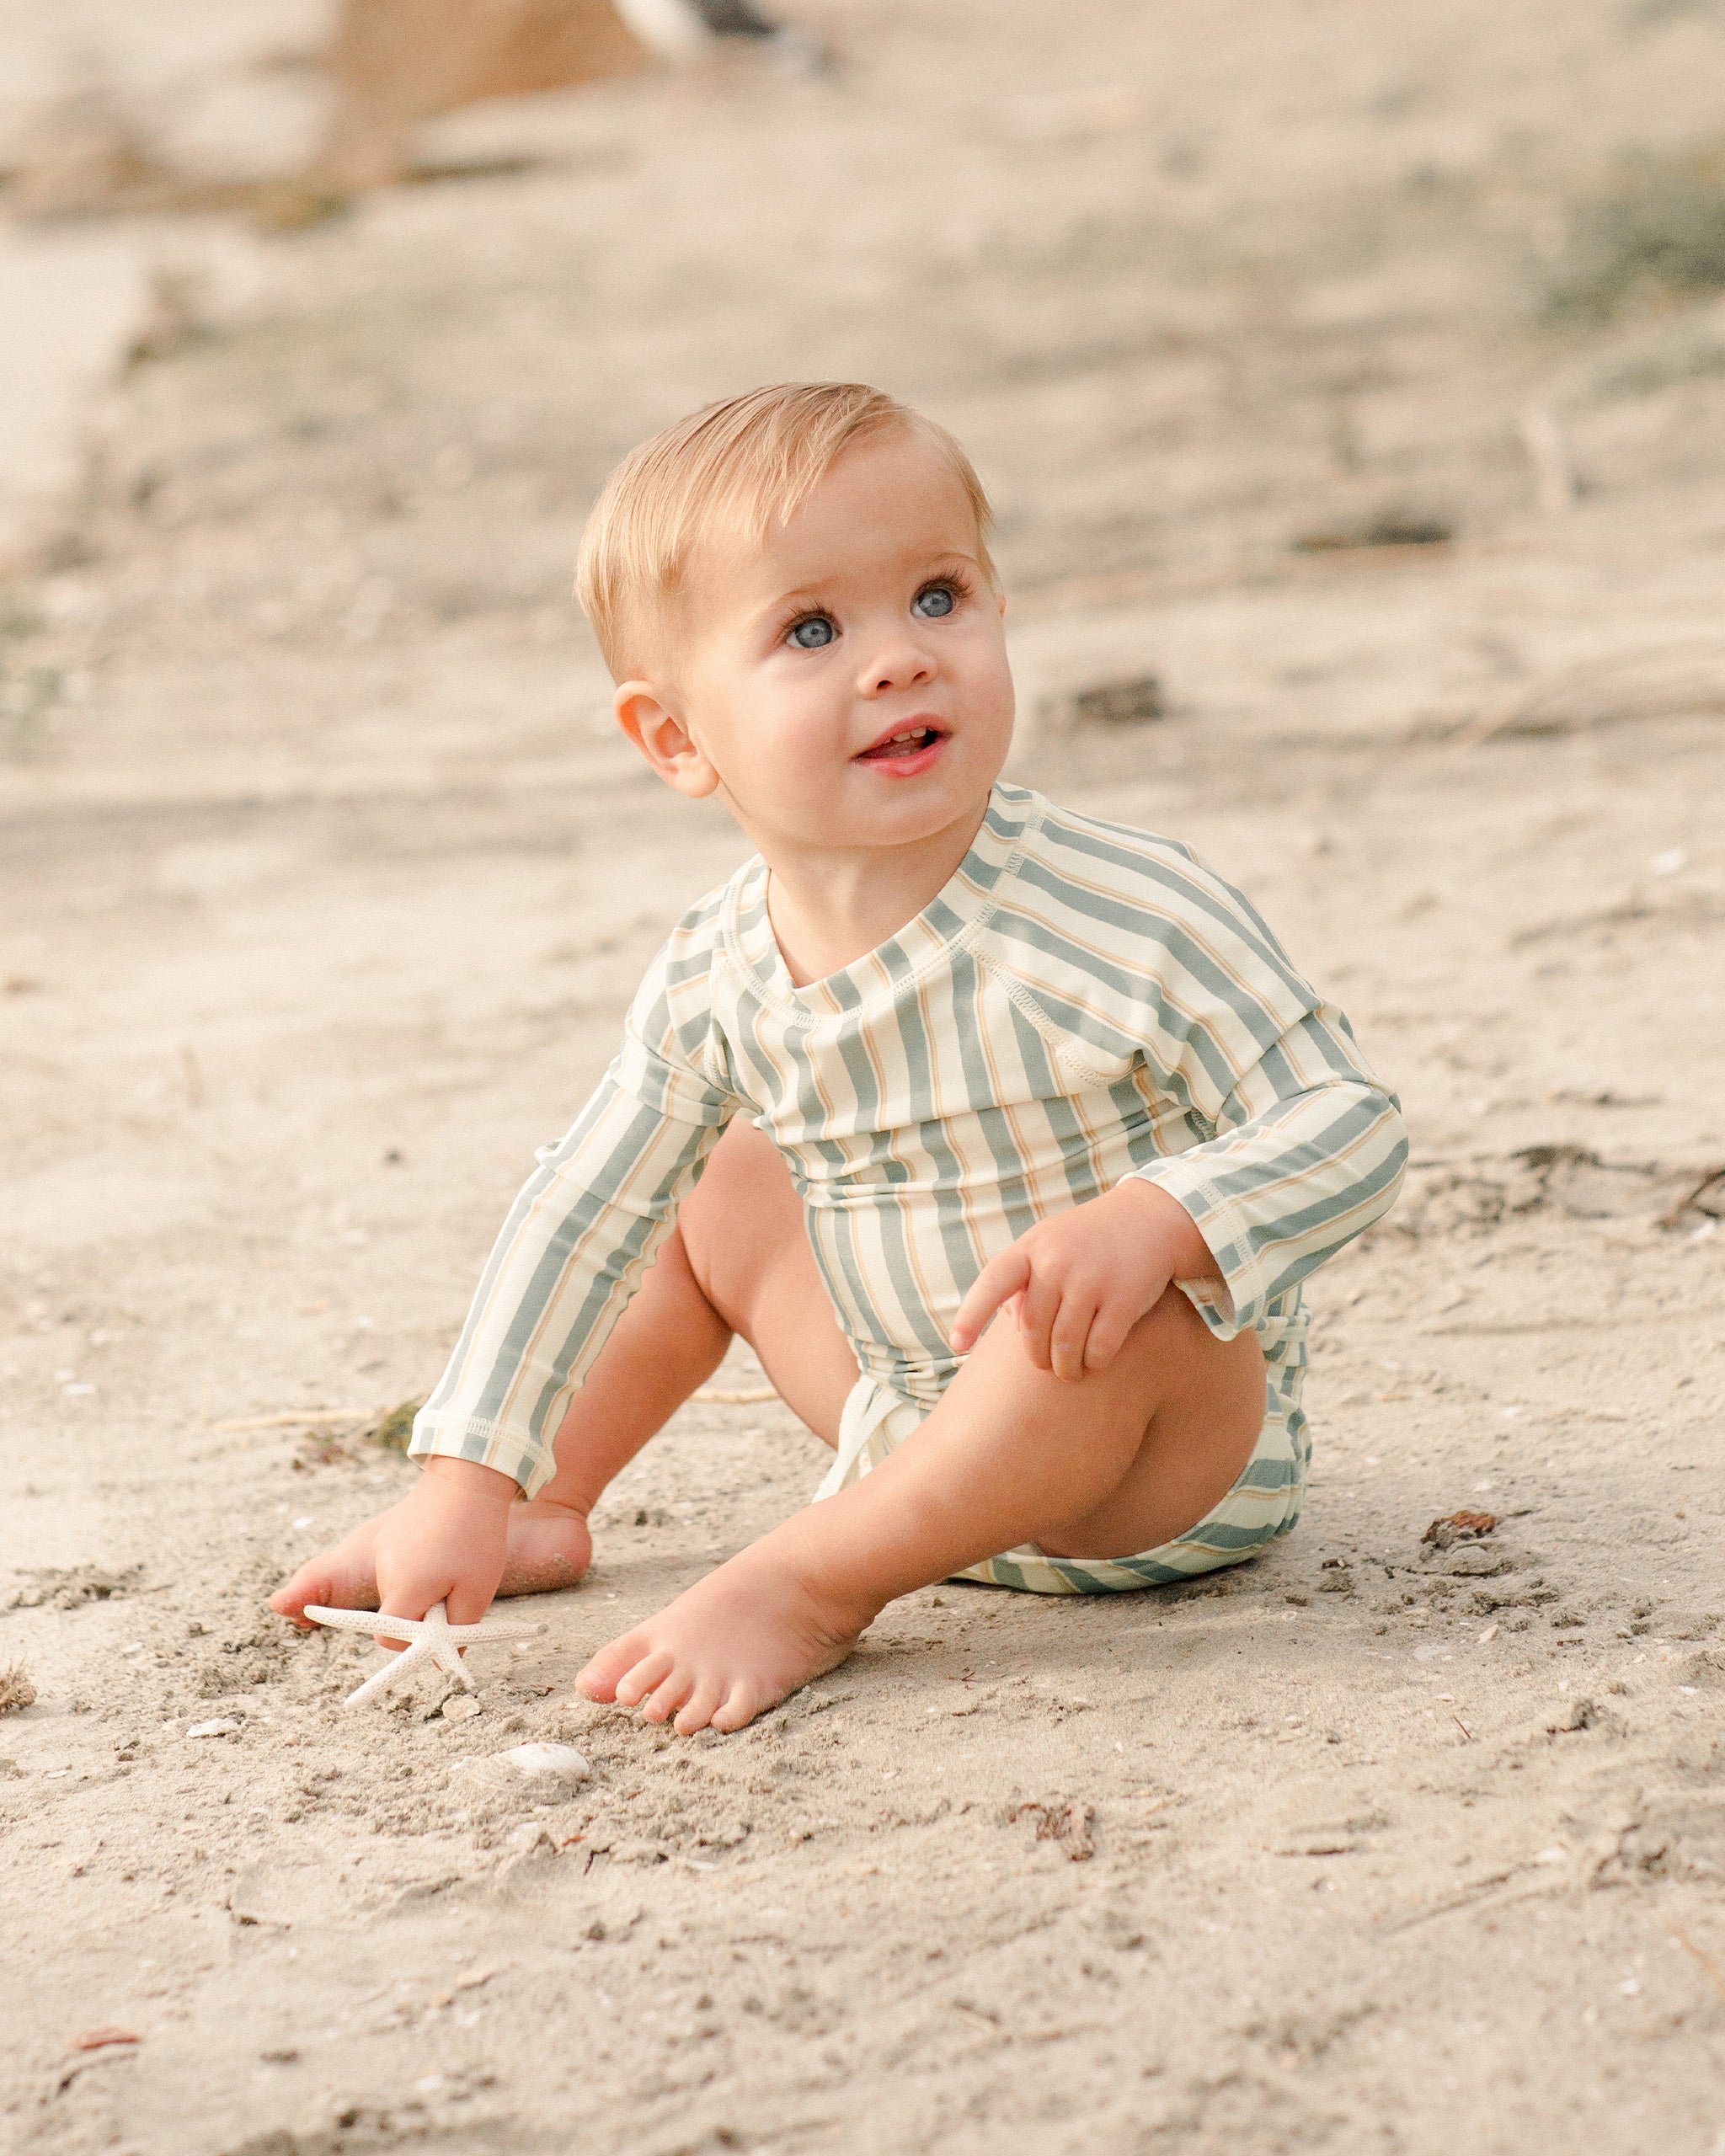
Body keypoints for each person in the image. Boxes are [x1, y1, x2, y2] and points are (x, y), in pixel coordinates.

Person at [273, 382, 1407, 1733]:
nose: (900, 659)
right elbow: (577, 1217)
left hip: (1153, 1471)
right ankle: (544, 1503)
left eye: (940, 596)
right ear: (678, 739)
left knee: (1106, 1315)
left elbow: (1351, 1121)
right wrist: (463, 1473)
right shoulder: (715, 973)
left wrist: (1167, 1220)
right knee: (708, 1180)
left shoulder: (1121, 912)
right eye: (813, 628)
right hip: (901, 1428)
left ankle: (812, 1583)